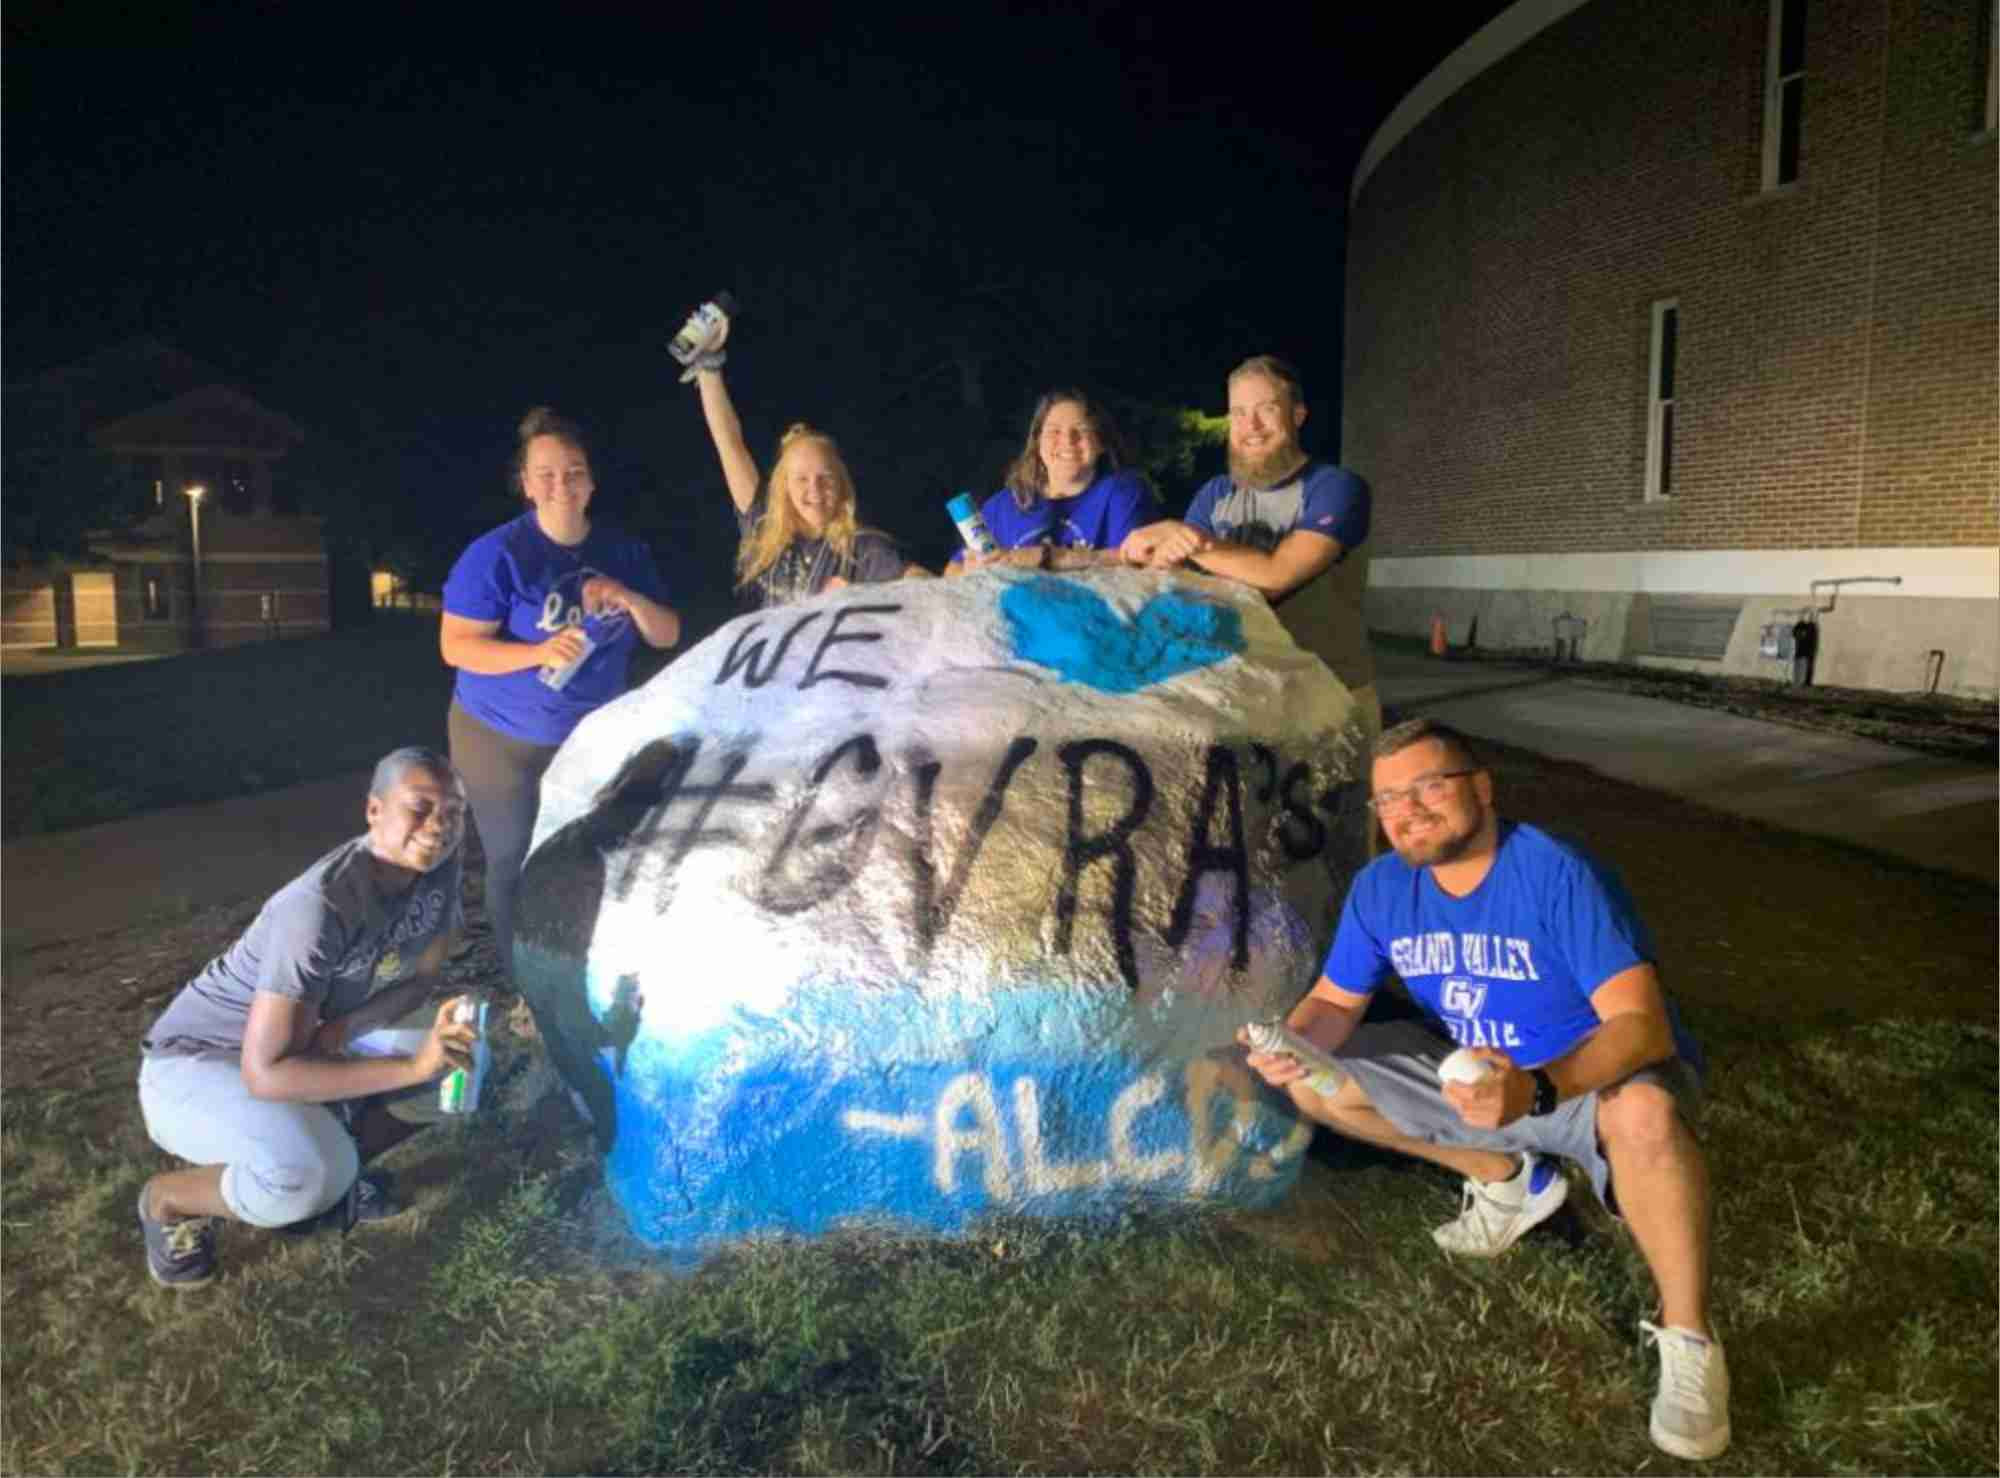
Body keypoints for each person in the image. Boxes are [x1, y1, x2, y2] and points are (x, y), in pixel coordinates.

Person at [1243, 719, 1728, 1461]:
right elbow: (1338, 1003)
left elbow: (1641, 1026)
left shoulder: (1556, 872)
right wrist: (1295, 1048)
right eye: (1388, 800)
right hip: (1475, 1080)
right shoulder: (1382, 887)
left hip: (1580, 1080)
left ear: (1482, 787)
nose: (1407, 811)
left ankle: (1690, 1338)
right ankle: (1504, 1179)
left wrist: (1539, 1090)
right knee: (1318, 1086)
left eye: (1427, 787)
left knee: (1647, 1113)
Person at [136, 749, 481, 1288]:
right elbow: (267, 1073)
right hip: (199, 1064)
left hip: (309, 1039)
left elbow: (421, 978)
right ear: (374, 810)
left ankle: (337, 1179)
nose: (439, 826)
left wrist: (346, 1030)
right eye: (420, 808)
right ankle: (170, 1201)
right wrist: (413, 1065)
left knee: (468, 1061)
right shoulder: (318, 907)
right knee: (310, 1171)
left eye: (454, 812)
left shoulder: (439, 867)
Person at [440, 407, 680, 983]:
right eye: (545, 474)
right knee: (514, 859)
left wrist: (626, 597)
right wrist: (537, 653)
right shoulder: (497, 555)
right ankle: (526, 982)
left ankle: (591, 965)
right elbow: (457, 646)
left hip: (591, 736)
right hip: (498, 736)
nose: (561, 484)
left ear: (591, 481)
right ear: (526, 485)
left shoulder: (623, 553)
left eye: (573, 472)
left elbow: (667, 633)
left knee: (595, 850)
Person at [1119, 355, 1379, 741]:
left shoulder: (1337, 488)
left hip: (1333, 698)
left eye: (1266, 409)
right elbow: (1177, 579)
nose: (1250, 426)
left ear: (1299, 415)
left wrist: (1191, 539)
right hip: (1242, 701)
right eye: (1238, 413)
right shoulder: (1215, 494)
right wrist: (1140, 554)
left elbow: (1277, 575)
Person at [691, 318, 921, 606]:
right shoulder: (763, 526)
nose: (814, 489)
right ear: (783, 487)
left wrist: (963, 577)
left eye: (825, 478)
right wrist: (707, 366)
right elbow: (729, 443)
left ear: (842, 485)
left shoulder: (863, 549)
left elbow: (919, 583)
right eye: (801, 479)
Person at [944, 389, 1156, 574]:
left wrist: (1046, 558)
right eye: (1054, 431)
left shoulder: (1123, 492)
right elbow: (951, 571)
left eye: (1081, 430)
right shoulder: (1003, 505)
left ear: (1101, 442)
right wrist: (969, 572)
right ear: (1037, 442)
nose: (1067, 441)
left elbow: (1138, 560)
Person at [1789, 615, 1819, 687]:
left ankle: (1803, 682)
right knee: (1800, 666)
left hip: (1807, 651)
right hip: (1802, 651)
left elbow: (1812, 640)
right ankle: (1798, 682)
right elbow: (1794, 634)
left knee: (1805, 666)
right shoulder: (1802, 626)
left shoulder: (1811, 627)